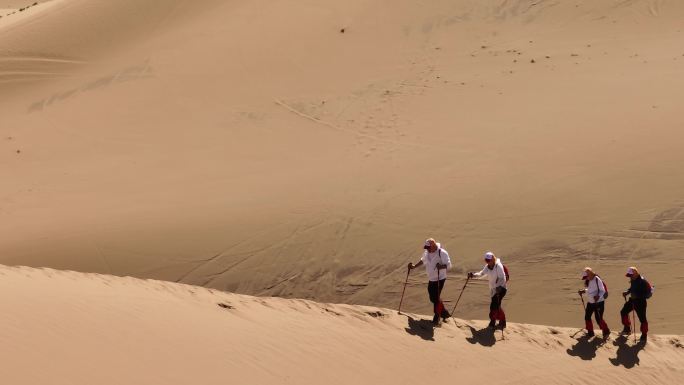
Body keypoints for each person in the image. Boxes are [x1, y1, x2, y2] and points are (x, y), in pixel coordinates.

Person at [408, 238, 452, 324]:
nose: (427, 249)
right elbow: (423, 260)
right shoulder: (427, 253)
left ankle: (437, 316)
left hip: (440, 278)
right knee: (433, 298)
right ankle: (444, 313)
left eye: (428, 247)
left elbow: (449, 265)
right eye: (426, 247)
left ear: (433, 246)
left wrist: (441, 267)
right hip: (431, 278)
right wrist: (414, 266)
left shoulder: (442, 253)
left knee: (435, 298)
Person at [467, 252, 507, 330]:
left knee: (494, 306)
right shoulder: (488, 266)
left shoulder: (498, 266)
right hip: (493, 289)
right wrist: (473, 275)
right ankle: (500, 322)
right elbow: (481, 273)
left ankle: (494, 322)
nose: (488, 261)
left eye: (489, 260)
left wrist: (500, 287)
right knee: (496, 306)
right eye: (486, 260)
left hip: (501, 289)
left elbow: (502, 278)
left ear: (493, 259)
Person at [578, 267, 610, 338]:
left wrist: (598, 296)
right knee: (587, 317)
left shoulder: (597, 279)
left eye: (587, 277)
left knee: (598, 318)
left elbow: (603, 290)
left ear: (590, 274)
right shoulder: (588, 280)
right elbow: (590, 290)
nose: (586, 278)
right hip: (590, 302)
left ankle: (606, 331)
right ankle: (590, 332)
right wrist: (583, 291)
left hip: (599, 302)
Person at [620, 266, 650, 341]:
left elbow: (647, 293)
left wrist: (637, 295)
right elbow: (632, 288)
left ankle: (644, 335)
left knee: (642, 319)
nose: (630, 277)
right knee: (623, 312)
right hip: (632, 300)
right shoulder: (633, 279)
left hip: (640, 302)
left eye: (631, 275)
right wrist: (627, 292)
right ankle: (627, 328)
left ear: (636, 273)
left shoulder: (643, 281)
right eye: (629, 275)